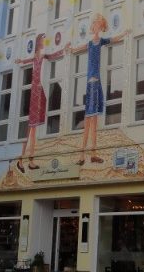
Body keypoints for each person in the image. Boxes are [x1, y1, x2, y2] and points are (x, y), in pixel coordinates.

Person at [67, 14, 130, 165]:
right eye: (96, 25)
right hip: (91, 84)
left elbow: (113, 39)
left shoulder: (100, 41)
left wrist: (124, 34)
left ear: (101, 28)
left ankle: (91, 153)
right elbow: (76, 49)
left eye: (99, 25)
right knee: (89, 119)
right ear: (93, 26)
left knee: (93, 119)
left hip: (95, 83)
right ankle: (83, 155)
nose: (97, 27)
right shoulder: (90, 43)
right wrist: (70, 49)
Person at [15, 33, 67, 172]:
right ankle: (24, 159)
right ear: (39, 43)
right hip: (35, 92)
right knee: (31, 128)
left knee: (32, 128)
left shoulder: (41, 56)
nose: (45, 42)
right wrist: (20, 61)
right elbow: (27, 61)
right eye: (43, 40)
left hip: (38, 91)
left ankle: (27, 160)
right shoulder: (36, 57)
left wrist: (63, 50)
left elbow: (52, 55)